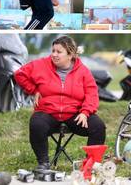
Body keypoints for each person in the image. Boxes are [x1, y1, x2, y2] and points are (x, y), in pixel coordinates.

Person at [14, 36, 106, 172]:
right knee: (36, 124)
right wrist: (33, 90)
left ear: (70, 55)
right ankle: (43, 164)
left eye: (59, 52)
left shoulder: (83, 71)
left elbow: (92, 94)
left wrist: (85, 112)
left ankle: (90, 165)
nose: (54, 55)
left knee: (98, 126)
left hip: (74, 114)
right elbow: (19, 74)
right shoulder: (40, 64)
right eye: (53, 51)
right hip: (48, 112)